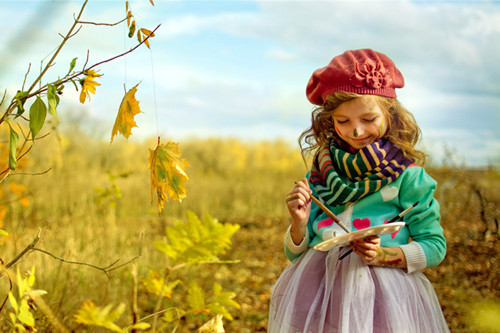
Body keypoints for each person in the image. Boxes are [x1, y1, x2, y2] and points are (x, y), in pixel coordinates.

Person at [268, 49, 449, 333]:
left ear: (391, 114)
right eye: (343, 121)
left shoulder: (408, 176)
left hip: (385, 301)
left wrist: (386, 255)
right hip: (319, 294)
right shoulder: (318, 175)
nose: (355, 132)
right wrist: (299, 223)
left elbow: (435, 247)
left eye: (368, 119)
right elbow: (295, 256)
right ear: (329, 122)